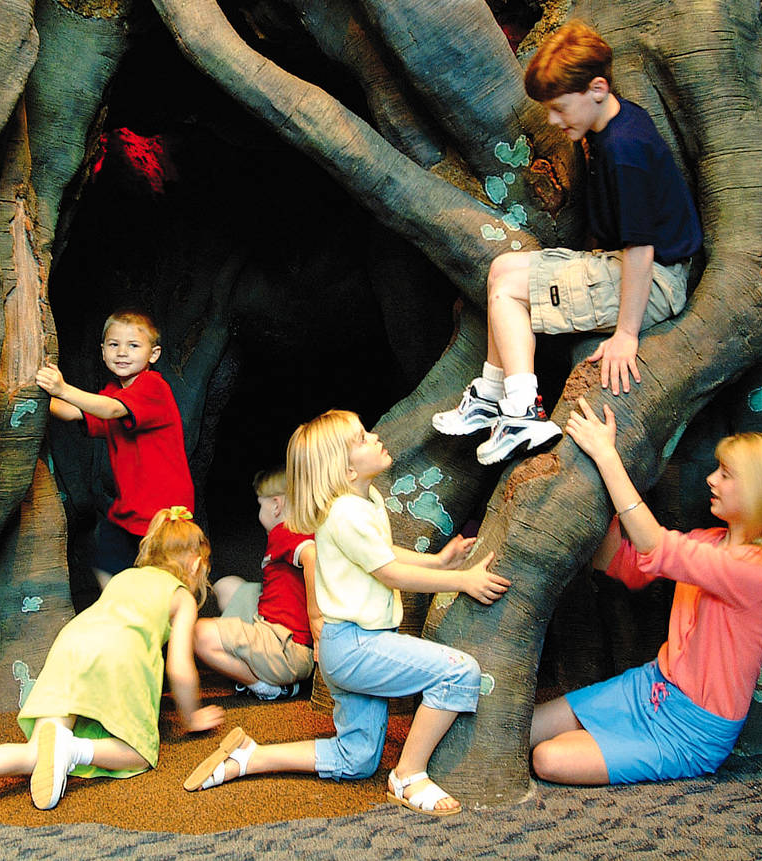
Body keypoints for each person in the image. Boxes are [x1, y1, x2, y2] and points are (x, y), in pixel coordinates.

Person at [183, 411, 510, 816]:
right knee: (459, 672)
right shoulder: (345, 514)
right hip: (357, 646)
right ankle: (409, 775)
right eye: (361, 438)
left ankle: (251, 757)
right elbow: (389, 572)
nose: (375, 437)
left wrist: (438, 561)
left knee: (356, 758)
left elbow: (381, 554)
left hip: (349, 647)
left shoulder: (364, 502)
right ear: (347, 469)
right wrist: (461, 580)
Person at [433, 21, 703, 465]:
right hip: (622, 263)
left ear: (597, 88)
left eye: (559, 108)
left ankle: (522, 413)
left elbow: (641, 249)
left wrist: (626, 335)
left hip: (654, 282)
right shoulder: (613, 122)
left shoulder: (625, 150)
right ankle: (492, 395)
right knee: (502, 269)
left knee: (508, 292)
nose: (554, 121)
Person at [528, 400, 762, 785]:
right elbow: (623, 565)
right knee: (525, 728)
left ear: (761, 490)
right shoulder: (708, 541)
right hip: (649, 688)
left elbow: (656, 546)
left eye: (726, 474)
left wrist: (608, 458)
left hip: (692, 731)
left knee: (549, 758)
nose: (712, 480)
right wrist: (598, 486)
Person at [0, 509, 224, 825]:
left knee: (38, 751)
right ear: (196, 565)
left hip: (71, 644)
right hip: (119, 654)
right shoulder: (181, 595)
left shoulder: (125, 577)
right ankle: (73, 749)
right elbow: (179, 668)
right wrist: (191, 717)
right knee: (137, 754)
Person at [37, 309, 194, 588]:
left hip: (163, 512)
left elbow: (110, 410)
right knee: (105, 564)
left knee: (166, 583)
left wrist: (62, 389)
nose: (122, 352)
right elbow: (73, 411)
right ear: (103, 351)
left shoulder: (152, 386)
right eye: (114, 344)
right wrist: (34, 392)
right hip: (128, 511)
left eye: (133, 345)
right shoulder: (113, 391)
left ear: (153, 354)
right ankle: (121, 609)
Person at [194, 469, 320, 701]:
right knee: (227, 587)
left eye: (260, 505)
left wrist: (315, 616)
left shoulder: (285, 532)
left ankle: (265, 686)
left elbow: (311, 555)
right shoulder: (298, 531)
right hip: (279, 633)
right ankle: (266, 672)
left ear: (276, 506)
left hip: (287, 649)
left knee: (199, 634)